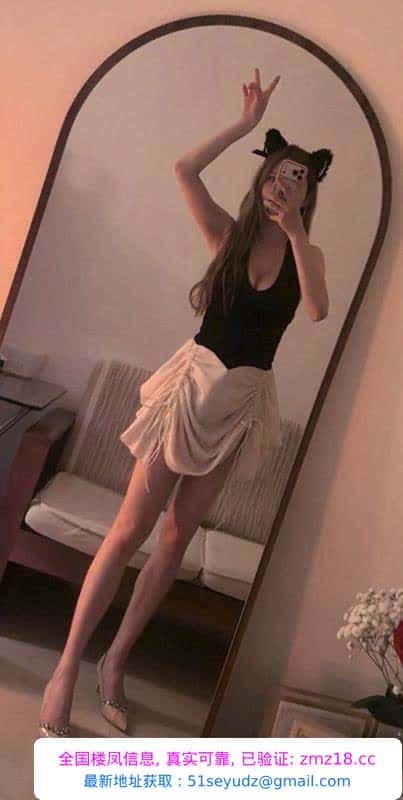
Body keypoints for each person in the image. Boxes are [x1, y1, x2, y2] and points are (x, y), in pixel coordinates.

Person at [39, 68, 332, 737]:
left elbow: (316, 310)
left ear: (307, 192)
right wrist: (245, 124)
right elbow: (183, 169)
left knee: (175, 540)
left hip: (239, 405)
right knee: (128, 533)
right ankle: (65, 669)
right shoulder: (227, 237)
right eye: (276, 173)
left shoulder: (306, 255)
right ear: (262, 179)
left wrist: (295, 234)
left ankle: (115, 663)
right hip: (190, 391)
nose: (284, 184)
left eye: (297, 179)